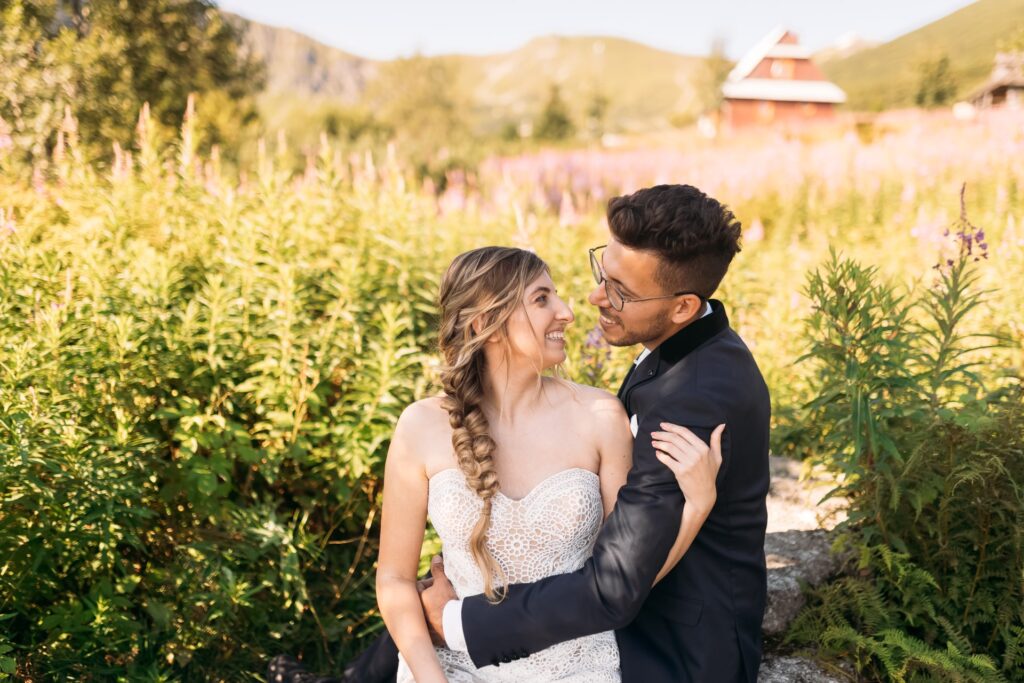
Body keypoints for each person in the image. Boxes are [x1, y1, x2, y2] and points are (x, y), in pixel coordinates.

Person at [270, 183, 770, 682]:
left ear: (682, 308)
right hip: (495, 638)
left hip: (661, 648)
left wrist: (454, 622)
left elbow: (618, 582)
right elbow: (398, 578)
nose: (586, 302)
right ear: (485, 324)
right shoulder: (424, 425)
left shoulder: (677, 399)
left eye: (620, 291)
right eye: (603, 274)